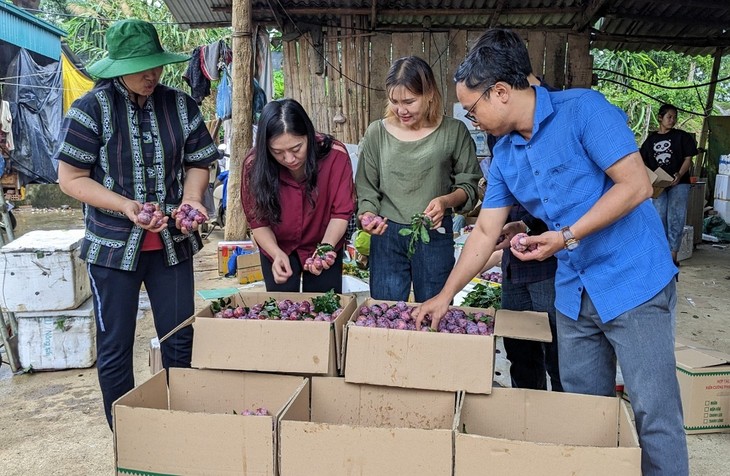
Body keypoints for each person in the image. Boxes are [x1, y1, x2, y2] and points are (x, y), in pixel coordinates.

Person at [415, 29, 687, 476]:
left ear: (500, 93)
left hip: (633, 283)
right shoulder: (504, 155)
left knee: (654, 415)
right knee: (584, 415)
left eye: (473, 109)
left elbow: (636, 185)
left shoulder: (584, 111)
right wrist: (445, 295)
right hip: (573, 295)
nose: (473, 119)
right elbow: (486, 230)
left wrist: (565, 237)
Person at [55, 20, 218, 430]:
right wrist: (126, 206)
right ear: (116, 66)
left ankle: (179, 428)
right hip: (111, 250)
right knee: (115, 346)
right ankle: (128, 435)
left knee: (180, 338)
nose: (152, 75)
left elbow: (200, 161)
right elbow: (71, 178)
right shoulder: (90, 110)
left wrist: (192, 199)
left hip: (172, 247)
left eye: (156, 65)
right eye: (142, 67)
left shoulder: (181, 105)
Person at [471, 29, 562, 391]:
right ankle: (527, 414)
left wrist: (532, 224)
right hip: (515, 255)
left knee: (558, 347)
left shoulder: (562, 114)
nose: (476, 119)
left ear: (500, 84)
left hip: (553, 260)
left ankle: (563, 422)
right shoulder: (499, 128)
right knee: (519, 348)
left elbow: (570, 199)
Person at [356, 56, 481, 302]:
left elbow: (469, 185)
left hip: (434, 235)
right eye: (394, 101)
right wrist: (368, 215)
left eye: (409, 101)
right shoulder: (376, 134)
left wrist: (445, 201)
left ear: (430, 94)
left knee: (435, 310)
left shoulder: (453, 131)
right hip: (386, 236)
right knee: (386, 311)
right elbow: (367, 189)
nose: (401, 110)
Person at [241, 98, 355, 293]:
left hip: (325, 241)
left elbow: (341, 213)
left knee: (324, 308)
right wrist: (276, 254)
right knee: (282, 311)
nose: (289, 159)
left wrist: (324, 251)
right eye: (277, 152)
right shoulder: (254, 165)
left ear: (309, 135)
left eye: (296, 149)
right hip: (278, 244)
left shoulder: (335, 156)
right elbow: (258, 223)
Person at [640, 103, 698, 266]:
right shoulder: (651, 139)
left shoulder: (682, 136)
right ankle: (662, 253)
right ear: (660, 118)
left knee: (676, 217)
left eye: (674, 117)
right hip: (659, 184)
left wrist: (679, 174)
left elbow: (688, 158)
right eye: (669, 117)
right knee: (659, 217)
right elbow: (642, 160)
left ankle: (673, 255)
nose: (672, 120)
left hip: (679, 183)